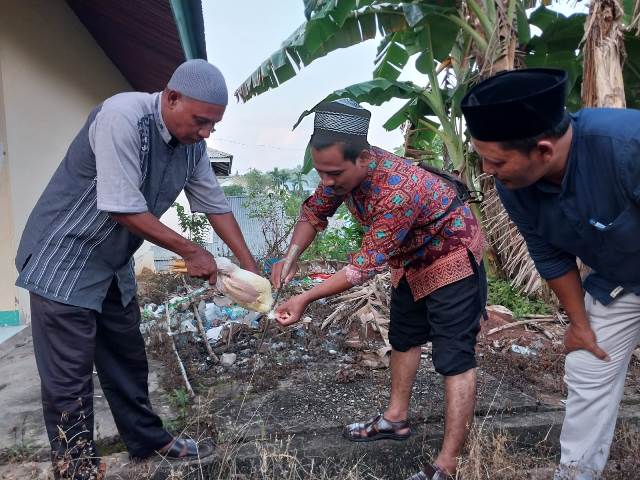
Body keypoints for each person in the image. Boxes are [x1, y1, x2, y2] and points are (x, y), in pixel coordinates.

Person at [15, 59, 258, 478]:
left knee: (127, 357)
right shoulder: (123, 116)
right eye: (200, 121)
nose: (205, 133)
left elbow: (215, 204)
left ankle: (146, 439)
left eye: (213, 126)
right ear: (172, 97)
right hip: (64, 258)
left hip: (111, 262)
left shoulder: (192, 145)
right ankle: (77, 466)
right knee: (69, 379)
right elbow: (121, 206)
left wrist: (254, 271)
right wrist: (193, 252)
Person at [271, 99, 487, 480]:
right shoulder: (340, 173)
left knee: (454, 357)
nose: (326, 181)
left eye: (333, 173)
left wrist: (303, 298)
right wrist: (288, 258)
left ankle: (448, 465)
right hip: (410, 261)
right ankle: (395, 420)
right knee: (404, 339)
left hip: (452, 258)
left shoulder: (398, 190)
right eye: (320, 171)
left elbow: (361, 268)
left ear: (364, 159)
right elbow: (314, 212)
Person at [461, 68, 640, 480]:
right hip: (620, 278)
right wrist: (579, 324)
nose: (488, 170)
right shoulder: (515, 183)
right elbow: (548, 251)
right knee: (587, 364)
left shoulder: (626, 146)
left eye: (495, 160)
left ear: (543, 149)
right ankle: (576, 474)